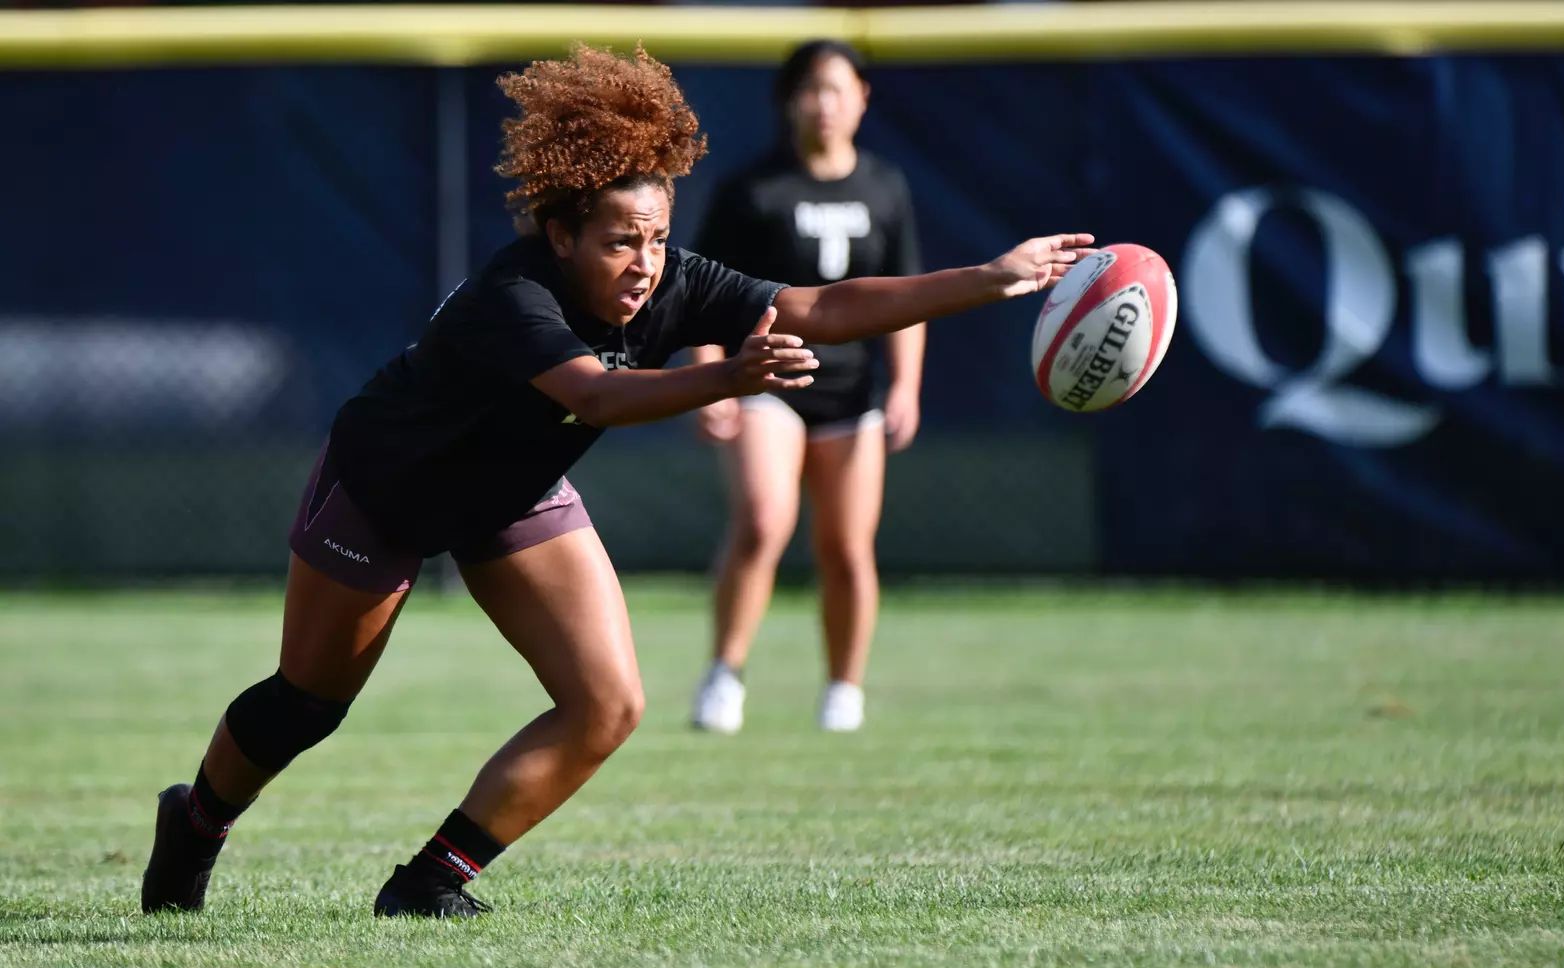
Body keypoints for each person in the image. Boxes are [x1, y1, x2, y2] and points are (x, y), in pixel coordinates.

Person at [139, 43, 1096, 919]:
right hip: (387, 488)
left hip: (510, 494)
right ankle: (196, 823)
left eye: (656, 237)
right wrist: (727, 375)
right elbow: (594, 396)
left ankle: (430, 883)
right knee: (308, 705)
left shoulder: (672, 276)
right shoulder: (509, 297)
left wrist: (990, 277)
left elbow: (820, 303)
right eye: (619, 241)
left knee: (608, 704)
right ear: (560, 233)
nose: (644, 264)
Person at [688, 40, 922, 735]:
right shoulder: (754, 188)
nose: (824, 103)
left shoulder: (885, 187)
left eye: (838, 88)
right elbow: (698, 290)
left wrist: (906, 385)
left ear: (862, 98)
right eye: (811, 89)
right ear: (788, 101)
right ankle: (724, 675)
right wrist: (710, 378)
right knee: (763, 520)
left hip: (852, 393)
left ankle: (842, 690)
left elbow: (905, 298)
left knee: (847, 548)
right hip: (767, 378)